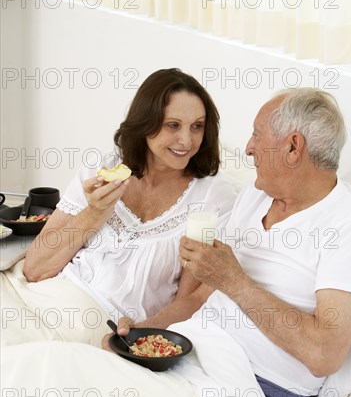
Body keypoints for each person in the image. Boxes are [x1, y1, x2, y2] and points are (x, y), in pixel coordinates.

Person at [105, 87, 351, 397]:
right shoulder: (255, 197)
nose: (248, 148)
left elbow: (324, 353)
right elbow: (200, 297)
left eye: (257, 134)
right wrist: (140, 335)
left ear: (292, 146)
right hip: (191, 352)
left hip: (259, 387)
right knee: (73, 376)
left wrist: (236, 283)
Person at [23, 68, 237, 323]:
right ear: (146, 123)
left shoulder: (212, 197)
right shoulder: (103, 168)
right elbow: (35, 269)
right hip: (45, 299)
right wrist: (94, 212)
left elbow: (189, 302)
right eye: (173, 125)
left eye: (197, 126)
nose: (186, 140)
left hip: (108, 330)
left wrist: (139, 335)